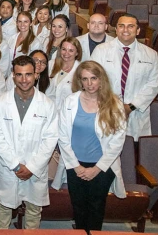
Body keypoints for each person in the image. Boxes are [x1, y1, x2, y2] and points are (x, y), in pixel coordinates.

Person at [55, 61, 127, 233]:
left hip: (102, 166)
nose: (89, 83)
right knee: (78, 206)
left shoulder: (114, 103)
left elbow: (118, 141)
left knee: (96, 207)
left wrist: (97, 169)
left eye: (93, 78)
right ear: (80, 81)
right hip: (75, 164)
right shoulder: (70, 101)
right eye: (85, 79)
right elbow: (63, 136)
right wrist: (76, 166)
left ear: (101, 79)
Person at [0, 55, 58, 229]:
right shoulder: (0, 103)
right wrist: (15, 165)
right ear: (12, 75)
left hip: (35, 169)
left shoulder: (47, 104)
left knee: (34, 212)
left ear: (36, 75)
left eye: (28, 74)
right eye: (19, 75)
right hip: (9, 167)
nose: (24, 79)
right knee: (4, 210)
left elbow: (50, 139)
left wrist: (32, 167)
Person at [91, 14, 158, 141]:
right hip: (108, 110)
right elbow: (94, 80)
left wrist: (131, 107)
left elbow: (154, 84)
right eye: (121, 26)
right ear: (116, 29)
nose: (125, 30)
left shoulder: (150, 55)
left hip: (137, 114)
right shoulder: (101, 51)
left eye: (131, 26)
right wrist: (114, 106)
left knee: (132, 154)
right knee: (106, 152)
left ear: (138, 30)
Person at [45, 37, 82, 109]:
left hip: (68, 110)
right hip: (48, 107)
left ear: (77, 53)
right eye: (64, 49)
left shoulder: (81, 70)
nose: (66, 53)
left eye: (71, 50)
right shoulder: (51, 64)